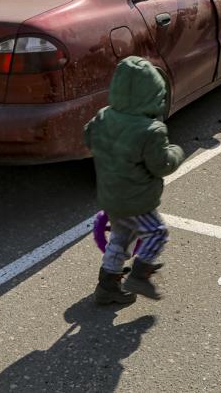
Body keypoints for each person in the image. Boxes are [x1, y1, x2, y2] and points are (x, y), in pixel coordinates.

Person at [85, 56, 185, 304]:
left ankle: (107, 284)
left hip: (110, 196)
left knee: (121, 237)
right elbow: (162, 165)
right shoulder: (150, 130)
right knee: (157, 233)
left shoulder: (104, 116)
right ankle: (139, 275)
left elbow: (89, 138)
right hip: (135, 200)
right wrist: (176, 152)